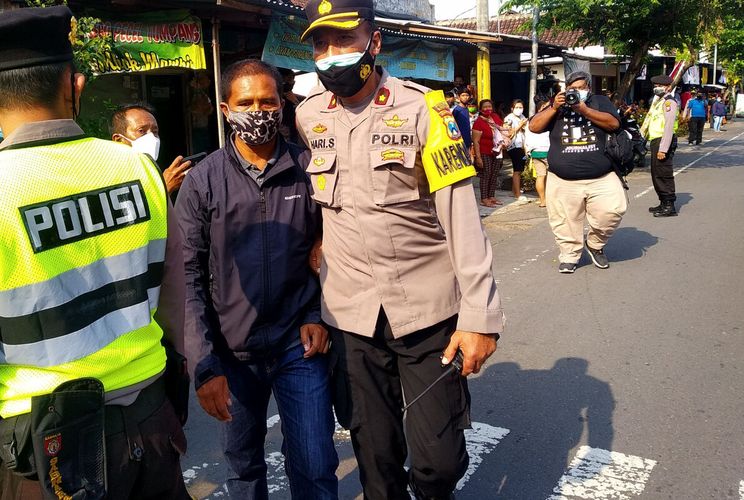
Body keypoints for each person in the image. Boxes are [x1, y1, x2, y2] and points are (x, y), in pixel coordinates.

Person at [296, 1, 505, 498]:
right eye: (320, 46)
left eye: (343, 41)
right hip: (351, 317)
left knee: (438, 463)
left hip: (427, 312)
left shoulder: (424, 110)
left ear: (374, 42)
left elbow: (461, 217)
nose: (331, 56)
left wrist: (480, 316)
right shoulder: (308, 117)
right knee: (375, 457)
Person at [0, 6, 190, 499]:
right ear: (74, 85)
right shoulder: (140, 170)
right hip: (148, 414)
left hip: (44, 444)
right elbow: (173, 299)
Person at [175, 59, 338, 499]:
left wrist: (316, 313)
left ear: (282, 105)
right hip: (232, 354)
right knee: (244, 469)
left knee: (316, 462)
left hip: (297, 344)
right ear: (226, 109)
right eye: (246, 102)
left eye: (268, 101)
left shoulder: (309, 169)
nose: (258, 111)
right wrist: (205, 363)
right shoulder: (203, 181)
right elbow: (187, 277)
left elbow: (332, 250)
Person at [528, 70, 627, 273]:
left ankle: (595, 244)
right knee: (564, 221)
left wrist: (584, 110)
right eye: (572, 89)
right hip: (562, 178)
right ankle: (569, 255)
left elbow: (614, 124)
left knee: (613, 210)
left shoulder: (599, 101)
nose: (576, 92)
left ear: (588, 88)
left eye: (581, 88)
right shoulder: (556, 104)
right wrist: (555, 106)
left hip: (602, 176)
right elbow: (534, 126)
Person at [111, 104, 193, 195]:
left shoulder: (151, 173)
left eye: (155, 132)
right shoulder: (110, 176)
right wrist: (164, 187)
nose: (152, 137)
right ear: (118, 139)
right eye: (141, 131)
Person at [641, 74, 680, 217]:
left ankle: (669, 205)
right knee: (656, 173)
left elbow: (669, 127)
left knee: (664, 173)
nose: (657, 88)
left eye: (660, 86)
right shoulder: (659, 101)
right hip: (656, 140)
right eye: (655, 86)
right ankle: (663, 202)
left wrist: (663, 148)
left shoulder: (669, 102)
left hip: (664, 141)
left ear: (668, 87)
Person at [472, 98, 506, 207]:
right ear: (481, 109)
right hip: (484, 152)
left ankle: (491, 196)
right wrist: (478, 157)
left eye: (489, 106)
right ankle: (484, 198)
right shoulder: (478, 122)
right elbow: (476, 142)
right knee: (486, 175)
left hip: (497, 151)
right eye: (485, 107)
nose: (488, 109)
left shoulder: (495, 117)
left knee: (494, 174)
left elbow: (502, 130)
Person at [525, 94, 552, 207]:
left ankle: (542, 201)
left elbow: (527, 137)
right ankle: (551, 200)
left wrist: (528, 151)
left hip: (535, 152)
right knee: (551, 177)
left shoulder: (531, 119)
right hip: (548, 151)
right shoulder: (549, 118)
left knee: (541, 176)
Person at [504, 99, 529, 200]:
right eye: (517, 107)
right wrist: (520, 126)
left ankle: (515, 191)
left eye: (521, 107)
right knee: (517, 170)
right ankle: (518, 194)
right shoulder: (509, 118)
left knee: (519, 169)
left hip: (521, 146)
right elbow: (508, 134)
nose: (519, 109)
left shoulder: (522, 117)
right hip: (513, 146)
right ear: (512, 108)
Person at [279, 67, 305, 144]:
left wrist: (295, 102)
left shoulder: (300, 99)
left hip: (296, 137)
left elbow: (306, 116)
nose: (292, 82)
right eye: (289, 79)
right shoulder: (273, 99)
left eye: (292, 79)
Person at [452, 86, 473, 154]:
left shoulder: (467, 109)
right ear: (458, 97)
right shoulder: (456, 110)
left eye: (467, 95)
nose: (465, 97)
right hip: (459, 141)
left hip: (467, 140)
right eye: (463, 95)